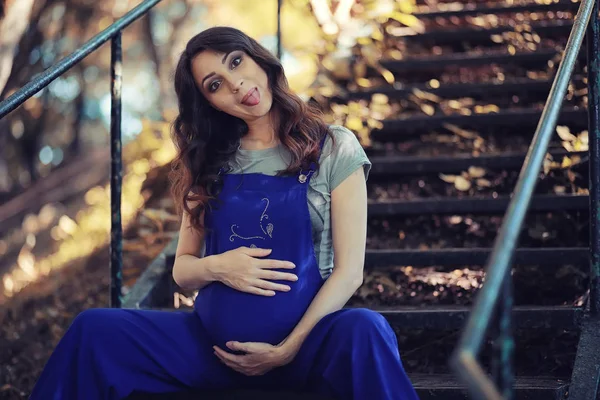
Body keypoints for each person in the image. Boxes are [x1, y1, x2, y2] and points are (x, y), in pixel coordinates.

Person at [29, 26, 419, 400]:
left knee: (366, 329)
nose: (234, 84)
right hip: (208, 350)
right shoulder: (210, 161)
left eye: (235, 61)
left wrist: (286, 349)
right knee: (93, 330)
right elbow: (182, 269)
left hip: (307, 347)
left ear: (259, 59)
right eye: (214, 84)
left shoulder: (333, 147)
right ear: (209, 102)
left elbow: (350, 272)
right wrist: (218, 267)